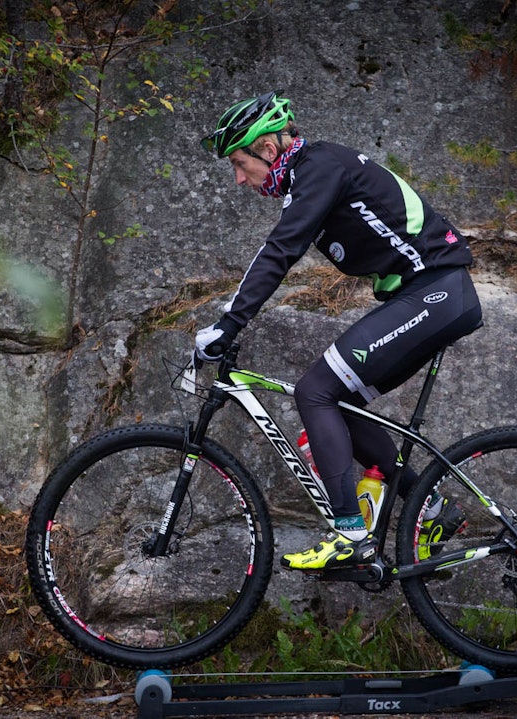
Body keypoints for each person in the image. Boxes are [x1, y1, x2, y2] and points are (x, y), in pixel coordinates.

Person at [195, 91, 482, 570]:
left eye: (239, 163)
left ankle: (351, 536)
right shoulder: (312, 173)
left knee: (316, 392)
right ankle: (430, 507)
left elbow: (279, 252)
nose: (239, 178)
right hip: (430, 294)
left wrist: (229, 323)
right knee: (339, 399)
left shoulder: (319, 168)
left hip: (436, 292)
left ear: (268, 148)